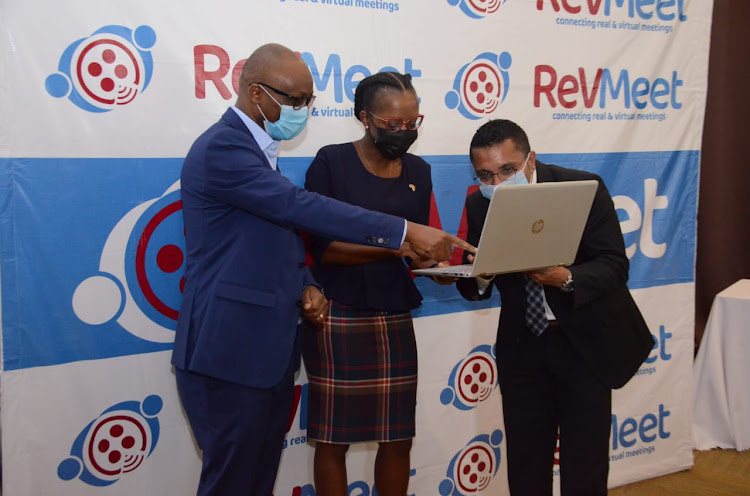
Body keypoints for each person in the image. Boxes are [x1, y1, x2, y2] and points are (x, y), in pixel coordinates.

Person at [172, 44, 473, 496]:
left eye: (307, 101)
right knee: (232, 481)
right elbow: (298, 208)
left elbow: (274, 237)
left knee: (255, 479)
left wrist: (307, 284)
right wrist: (403, 231)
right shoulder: (223, 148)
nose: (301, 111)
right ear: (256, 93)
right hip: (230, 347)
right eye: (293, 101)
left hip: (264, 350)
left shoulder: (260, 151)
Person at [456, 119, 654, 496]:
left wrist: (565, 277)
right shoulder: (477, 204)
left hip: (584, 343)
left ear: (530, 161)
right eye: (485, 175)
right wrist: (481, 274)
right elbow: (475, 287)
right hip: (523, 347)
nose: (496, 185)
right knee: (527, 463)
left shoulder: (581, 189)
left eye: (507, 171)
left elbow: (614, 264)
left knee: (585, 464)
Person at [301, 72, 453, 496]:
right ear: (364, 117)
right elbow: (324, 248)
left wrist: (438, 263)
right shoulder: (331, 162)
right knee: (333, 438)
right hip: (335, 313)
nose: (404, 132)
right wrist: (399, 249)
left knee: (398, 435)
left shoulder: (419, 171)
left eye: (412, 123)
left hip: (393, 313)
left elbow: (419, 245)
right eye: (393, 124)